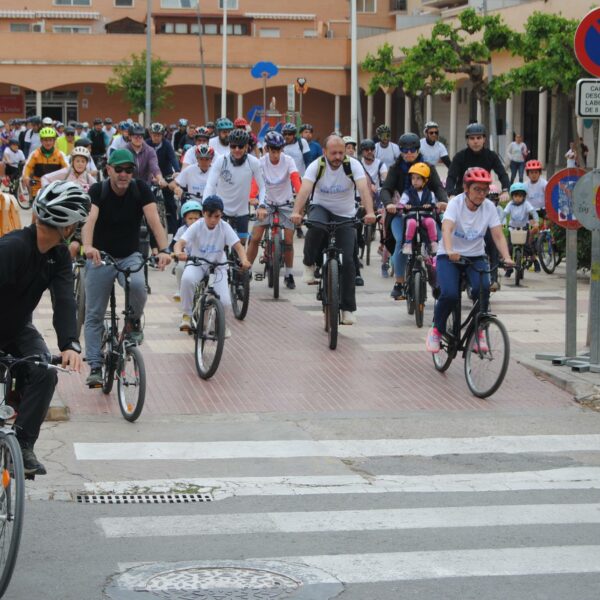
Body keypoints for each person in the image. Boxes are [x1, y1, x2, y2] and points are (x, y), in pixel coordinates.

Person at [0, 180, 90, 474]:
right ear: (68, 225)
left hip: (17, 329)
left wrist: (69, 343)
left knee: (45, 371)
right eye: (77, 223)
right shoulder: (12, 248)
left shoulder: (59, 256)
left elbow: (64, 300)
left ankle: (22, 446)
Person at [81, 149, 171, 387]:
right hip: (101, 257)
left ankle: (133, 323)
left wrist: (164, 249)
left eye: (128, 170)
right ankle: (95, 365)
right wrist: (88, 246)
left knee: (139, 286)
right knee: (94, 314)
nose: (123, 174)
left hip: (130, 255)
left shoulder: (140, 189)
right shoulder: (98, 190)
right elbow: (89, 221)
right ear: (108, 169)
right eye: (119, 169)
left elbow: (154, 221)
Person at [426, 167, 513, 354]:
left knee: (483, 290)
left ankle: (478, 332)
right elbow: (447, 228)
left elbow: (498, 235)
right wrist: (449, 250)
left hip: (475, 256)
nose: (481, 194)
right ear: (466, 189)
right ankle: (436, 330)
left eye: (485, 190)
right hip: (449, 256)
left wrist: (506, 257)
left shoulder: (489, 207)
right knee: (450, 294)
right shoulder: (455, 204)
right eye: (477, 189)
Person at [291, 135, 376, 325]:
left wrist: (370, 212)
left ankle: (347, 309)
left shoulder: (352, 165)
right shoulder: (317, 166)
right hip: (320, 207)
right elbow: (304, 190)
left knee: (348, 261)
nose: (338, 157)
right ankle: (309, 264)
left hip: (345, 213)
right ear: (324, 152)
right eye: (333, 153)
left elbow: (364, 190)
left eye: (341, 152)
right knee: (315, 226)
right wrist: (296, 212)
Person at [381, 132, 448, 300]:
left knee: (440, 240)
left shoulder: (429, 167)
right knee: (400, 241)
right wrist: (389, 204)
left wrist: (442, 201)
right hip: (401, 214)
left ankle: (441, 280)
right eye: (405, 150)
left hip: (426, 213)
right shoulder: (395, 169)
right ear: (401, 151)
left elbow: (438, 187)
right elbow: (386, 189)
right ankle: (399, 283)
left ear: (418, 150)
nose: (409, 153)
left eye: (413, 150)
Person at [174, 195, 251, 334]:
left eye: (217, 216)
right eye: (209, 216)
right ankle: (187, 315)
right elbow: (180, 243)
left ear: (221, 214)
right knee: (187, 279)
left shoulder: (224, 227)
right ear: (203, 213)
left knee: (225, 302)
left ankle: (221, 325)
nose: (213, 220)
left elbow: (238, 246)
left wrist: (244, 260)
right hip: (197, 263)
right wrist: (179, 252)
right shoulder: (197, 225)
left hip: (218, 266)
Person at [246, 130, 301, 290]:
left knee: (289, 241)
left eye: (278, 150)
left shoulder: (288, 161)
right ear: (267, 149)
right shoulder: (261, 162)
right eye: (273, 150)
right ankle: (247, 269)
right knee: (255, 237)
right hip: (266, 204)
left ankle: (289, 274)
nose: (276, 154)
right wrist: (252, 197)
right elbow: (255, 182)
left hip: (286, 204)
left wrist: (300, 196)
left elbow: (296, 179)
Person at [203, 128, 266, 246]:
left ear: (246, 146)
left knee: (241, 244)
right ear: (229, 146)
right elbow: (210, 185)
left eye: (240, 146)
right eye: (233, 146)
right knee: (220, 244)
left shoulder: (253, 162)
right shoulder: (221, 161)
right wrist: (205, 205)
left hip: (242, 211)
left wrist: (262, 205)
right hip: (221, 210)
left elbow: (262, 187)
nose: (237, 149)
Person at [445, 123, 510, 200]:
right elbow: (451, 177)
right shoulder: (459, 156)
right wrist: (451, 194)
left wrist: (505, 190)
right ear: (467, 140)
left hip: (483, 195)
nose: (475, 141)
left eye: (478, 138)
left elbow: (502, 174)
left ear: (484, 139)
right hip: (463, 195)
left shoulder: (491, 156)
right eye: (472, 138)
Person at [145, 122, 180, 234]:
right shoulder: (146, 144)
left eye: (159, 135)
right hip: (150, 175)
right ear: (150, 134)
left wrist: (177, 171)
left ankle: (174, 231)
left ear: (163, 135)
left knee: (170, 203)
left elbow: (173, 159)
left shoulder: (167, 144)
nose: (156, 137)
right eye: (154, 135)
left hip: (166, 174)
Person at [398, 162, 439, 255]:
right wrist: (405, 206)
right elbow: (401, 204)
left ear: (425, 180)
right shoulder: (407, 193)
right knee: (411, 223)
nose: (415, 181)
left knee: (431, 222)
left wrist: (430, 205)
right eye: (413, 178)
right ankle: (408, 244)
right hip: (412, 217)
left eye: (418, 178)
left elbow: (434, 205)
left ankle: (433, 243)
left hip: (425, 218)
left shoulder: (430, 193)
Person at [503, 182, 540, 276]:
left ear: (524, 196)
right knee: (509, 248)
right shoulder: (510, 204)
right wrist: (499, 222)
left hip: (524, 228)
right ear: (512, 196)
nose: (517, 198)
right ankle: (509, 268)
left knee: (528, 247)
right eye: (515, 196)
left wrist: (536, 222)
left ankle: (535, 261)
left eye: (520, 196)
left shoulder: (526, 204)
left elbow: (533, 212)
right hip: (512, 229)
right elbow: (504, 213)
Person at [22, 127, 68, 200]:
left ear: (54, 141)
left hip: (55, 187)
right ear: (41, 141)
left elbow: (68, 169)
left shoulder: (60, 154)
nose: (48, 143)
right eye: (45, 140)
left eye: (50, 140)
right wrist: (26, 177)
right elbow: (27, 167)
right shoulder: (35, 154)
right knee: (35, 205)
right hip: (38, 188)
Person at [170, 200, 202, 302]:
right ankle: (180, 290)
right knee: (179, 267)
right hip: (186, 258)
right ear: (184, 219)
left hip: (202, 258)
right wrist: (176, 253)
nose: (193, 221)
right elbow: (174, 244)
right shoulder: (181, 230)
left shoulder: (204, 229)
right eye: (190, 218)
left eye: (196, 218)